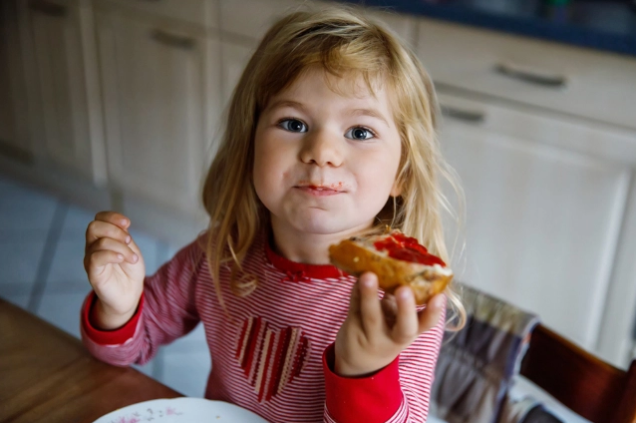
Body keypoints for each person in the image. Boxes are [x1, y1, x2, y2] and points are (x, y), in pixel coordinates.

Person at [81, 5, 466, 422]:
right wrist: (119, 308)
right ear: (250, 146)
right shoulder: (220, 253)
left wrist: (364, 370)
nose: (322, 152)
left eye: (360, 132)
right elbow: (124, 349)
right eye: (294, 124)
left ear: (403, 174)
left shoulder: (402, 303)